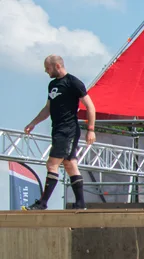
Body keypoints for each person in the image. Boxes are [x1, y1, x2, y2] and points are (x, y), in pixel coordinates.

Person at [23, 55, 96, 210]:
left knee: (51, 164)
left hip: (68, 130)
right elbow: (47, 108)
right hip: (57, 129)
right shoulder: (52, 85)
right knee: (70, 165)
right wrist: (33, 123)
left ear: (57, 66)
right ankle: (80, 204)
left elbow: (90, 106)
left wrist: (91, 129)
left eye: (47, 68)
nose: (45, 71)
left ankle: (42, 203)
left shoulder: (74, 83)